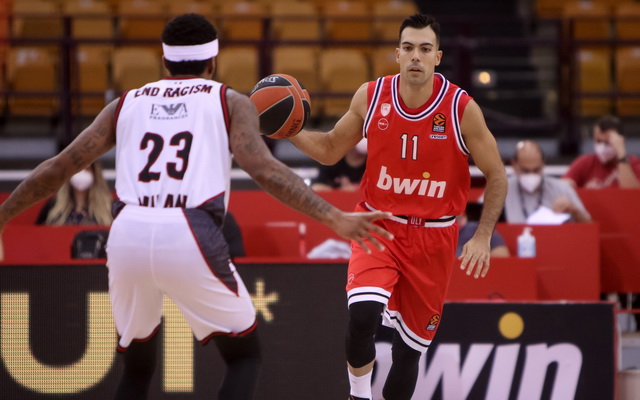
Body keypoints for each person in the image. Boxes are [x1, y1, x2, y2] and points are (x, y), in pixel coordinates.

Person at [0, 14, 393, 400]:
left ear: (164, 62)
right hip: (188, 229)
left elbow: (57, 169)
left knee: (136, 368)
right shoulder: (229, 101)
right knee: (244, 357)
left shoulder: (125, 104)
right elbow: (265, 170)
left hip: (126, 232)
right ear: (213, 62)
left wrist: (2, 217)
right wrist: (334, 217)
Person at [288, 14, 507, 400]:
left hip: (435, 237)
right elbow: (330, 148)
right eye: (408, 48)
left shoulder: (461, 108)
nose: (416, 56)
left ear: (437, 57)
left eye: (424, 49)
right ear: (397, 54)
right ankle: (359, 394)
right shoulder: (371, 96)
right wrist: (289, 130)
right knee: (362, 316)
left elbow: (497, 175)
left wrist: (483, 235)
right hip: (379, 225)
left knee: (408, 353)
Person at [505, 140, 591, 224]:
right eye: (525, 171)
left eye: (536, 170)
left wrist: (573, 209)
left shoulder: (562, 189)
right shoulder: (503, 190)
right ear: (514, 165)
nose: (531, 175)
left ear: (543, 164)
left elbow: (589, 226)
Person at [563, 115, 640, 189]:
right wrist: (567, 184)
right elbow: (563, 186)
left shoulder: (634, 163)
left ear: (621, 140)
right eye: (598, 141)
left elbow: (631, 193)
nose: (603, 147)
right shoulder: (585, 162)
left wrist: (621, 153)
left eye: (607, 142)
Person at [36, 161, 113, 225]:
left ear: (94, 173)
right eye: (77, 169)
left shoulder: (110, 207)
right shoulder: (53, 206)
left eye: (86, 169)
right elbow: (40, 234)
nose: (81, 173)